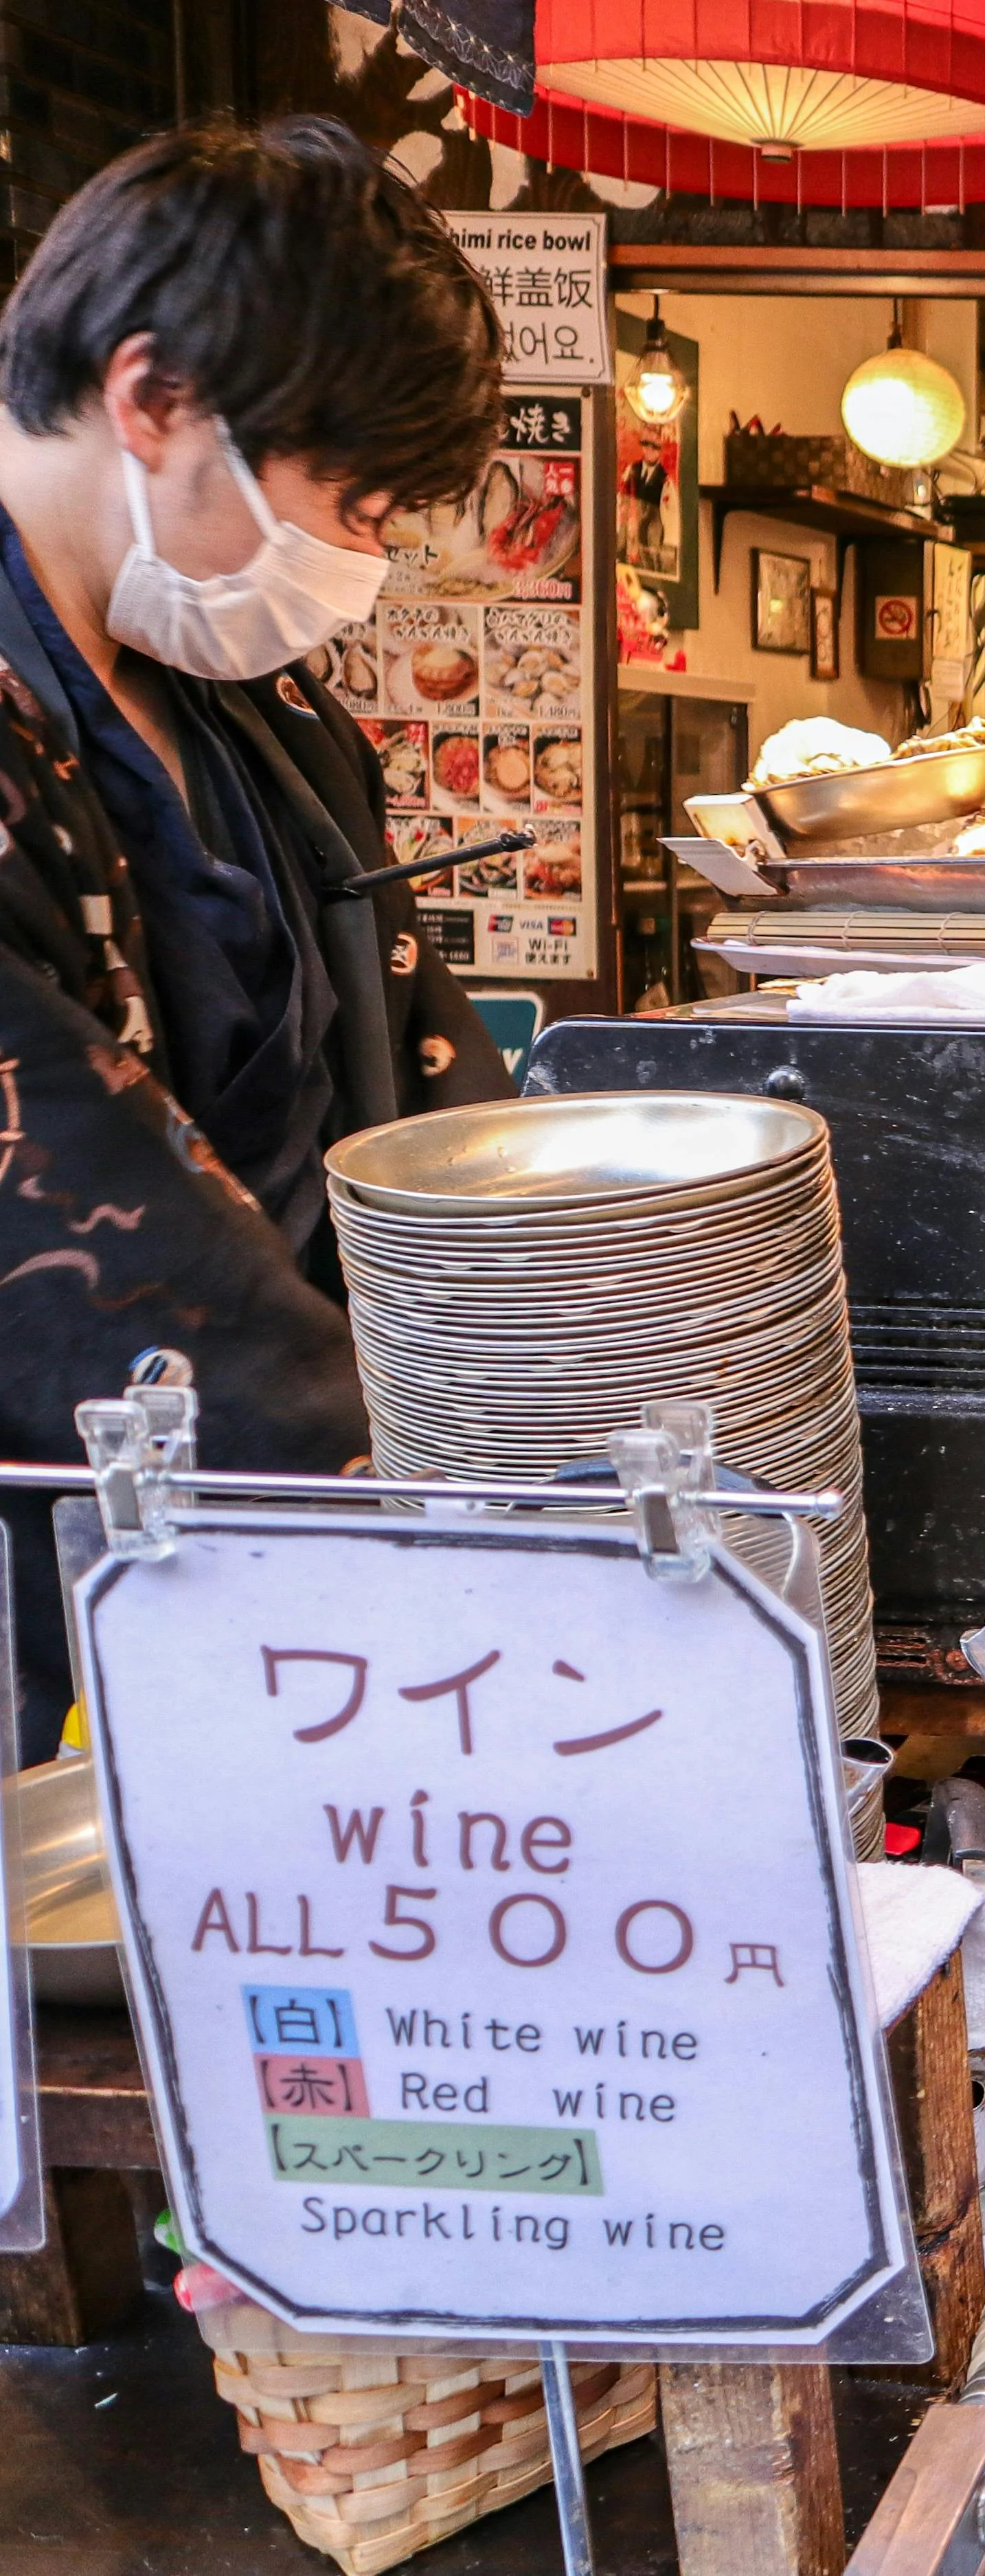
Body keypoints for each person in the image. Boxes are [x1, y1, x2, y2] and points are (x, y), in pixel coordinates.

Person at [0, 118, 512, 1758]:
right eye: (349, 504)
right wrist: (413, 1502)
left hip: (302, 1558)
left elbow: (421, 1072)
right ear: (153, 402)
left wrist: (540, 1338)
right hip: (77, 1552)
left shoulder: (252, 707)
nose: (358, 566)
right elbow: (69, 1199)